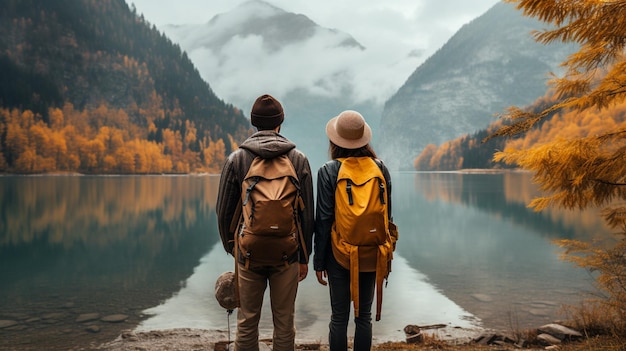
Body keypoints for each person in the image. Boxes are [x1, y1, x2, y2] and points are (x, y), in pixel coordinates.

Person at [216, 94, 314, 351]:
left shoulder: (236, 159)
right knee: (285, 323)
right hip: (288, 253)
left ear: (254, 123)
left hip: (248, 253)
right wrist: (304, 256)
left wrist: (234, 248)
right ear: (280, 122)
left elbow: (224, 212)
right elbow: (307, 215)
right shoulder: (298, 159)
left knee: (247, 323)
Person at [314, 110, 393, 351]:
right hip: (371, 252)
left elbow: (324, 220)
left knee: (339, 318)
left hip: (338, 253)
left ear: (335, 140)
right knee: (364, 316)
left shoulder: (328, 171)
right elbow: (387, 218)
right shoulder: (380, 168)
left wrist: (319, 262)